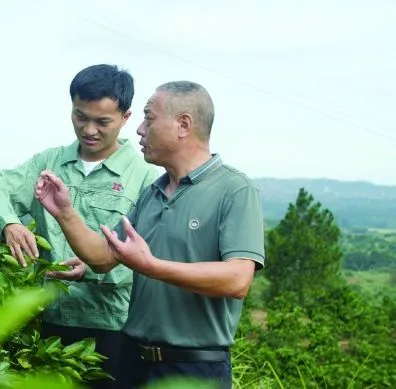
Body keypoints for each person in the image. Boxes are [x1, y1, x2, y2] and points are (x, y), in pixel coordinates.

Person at [33, 81, 266, 389]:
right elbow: (103, 257)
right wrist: (64, 211)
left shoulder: (234, 190)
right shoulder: (152, 193)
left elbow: (237, 280)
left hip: (193, 367)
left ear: (183, 124)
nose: (140, 129)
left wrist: (150, 266)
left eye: (149, 118)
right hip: (132, 361)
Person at [0, 64, 159, 388]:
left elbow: (149, 254)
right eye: (80, 116)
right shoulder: (49, 163)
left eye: (102, 122)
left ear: (126, 118)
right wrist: (10, 224)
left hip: (111, 327)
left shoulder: (143, 176)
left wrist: (91, 267)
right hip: (45, 322)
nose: (88, 129)